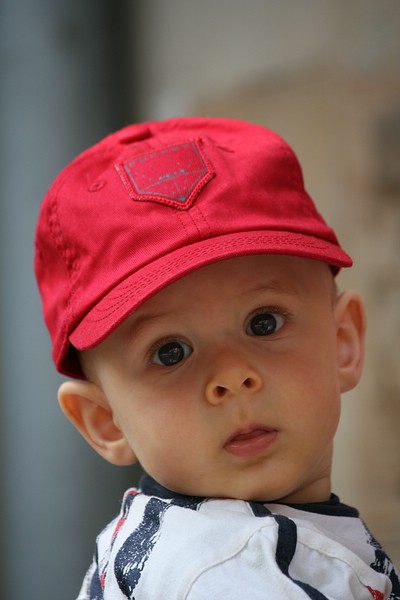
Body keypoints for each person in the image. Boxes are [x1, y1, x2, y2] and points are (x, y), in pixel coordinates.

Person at [34, 116, 400, 599]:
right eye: (170, 353)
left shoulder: (170, 544)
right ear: (105, 421)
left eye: (263, 323)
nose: (231, 375)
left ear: (343, 342)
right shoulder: (230, 575)